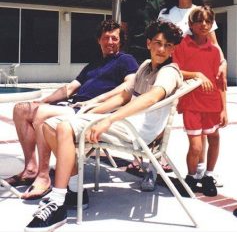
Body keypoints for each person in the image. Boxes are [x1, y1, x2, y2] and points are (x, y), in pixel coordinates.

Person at [24, 20, 183, 231]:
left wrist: (108, 119)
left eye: (168, 45)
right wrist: (92, 110)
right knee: (49, 126)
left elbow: (151, 98)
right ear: (148, 44)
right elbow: (125, 95)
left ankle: (57, 201)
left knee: (62, 127)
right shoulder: (145, 66)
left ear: (173, 48)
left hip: (137, 131)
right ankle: (74, 191)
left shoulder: (169, 72)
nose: (162, 49)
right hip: (126, 122)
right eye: (158, 43)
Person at [4, 19, 138, 200]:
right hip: (73, 107)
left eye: (114, 38)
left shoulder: (126, 60)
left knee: (42, 114)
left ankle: (43, 177)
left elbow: (128, 87)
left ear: (121, 41)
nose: (110, 42)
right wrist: (45, 100)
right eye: (106, 38)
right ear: (99, 40)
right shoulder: (93, 65)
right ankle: (30, 169)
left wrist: (97, 100)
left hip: (92, 113)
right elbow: (69, 89)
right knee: (21, 109)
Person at [158, 0, 227, 183]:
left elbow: (214, 47)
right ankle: (153, 167)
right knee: (161, 123)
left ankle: (201, 172)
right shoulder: (166, 14)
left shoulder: (202, 12)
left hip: (198, 81)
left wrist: (223, 63)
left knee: (203, 130)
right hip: (171, 73)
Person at [173, 5, 228, 197]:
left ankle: (208, 176)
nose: (203, 25)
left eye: (208, 21)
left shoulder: (214, 51)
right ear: (191, 24)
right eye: (199, 21)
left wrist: (224, 109)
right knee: (195, 146)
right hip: (191, 104)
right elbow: (175, 71)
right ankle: (191, 177)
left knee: (214, 139)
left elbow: (221, 82)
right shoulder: (182, 45)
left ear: (212, 24)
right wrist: (197, 75)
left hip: (213, 105)